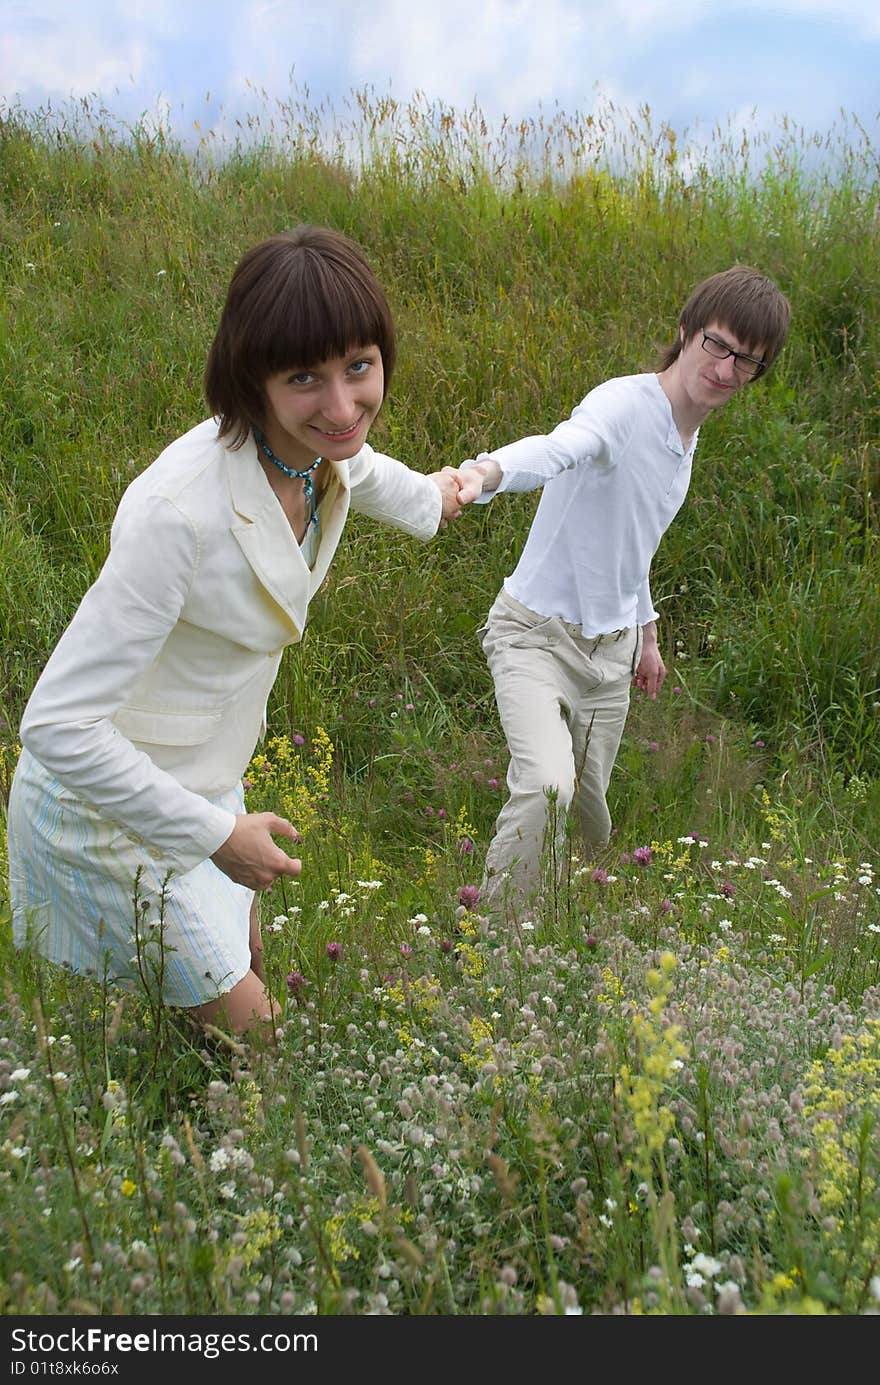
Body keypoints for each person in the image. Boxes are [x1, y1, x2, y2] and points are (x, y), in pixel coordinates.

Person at [8, 224, 470, 1032]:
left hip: (208, 771)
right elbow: (55, 725)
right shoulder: (176, 514)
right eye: (305, 378)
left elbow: (366, 469)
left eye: (360, 367)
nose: (341, 405)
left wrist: (441, 496)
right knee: (256, 1036)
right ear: (251, 381)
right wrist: (217, 834)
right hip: (107, 810)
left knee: (236, 980)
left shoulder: (312, 448)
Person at [457, 265, 791, 916]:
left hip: (610, 657)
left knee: (590, 822)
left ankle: (562, 913)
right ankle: (494, 949)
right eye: (717, 345)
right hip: (535, 634)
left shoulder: (686, 438)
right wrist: (486, 472)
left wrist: (648, 634)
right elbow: (561, 447)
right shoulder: (623, 405)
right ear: (687, 332)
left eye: (746, 360)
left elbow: (632, 541)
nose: (725, 369)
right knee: (547, 786)